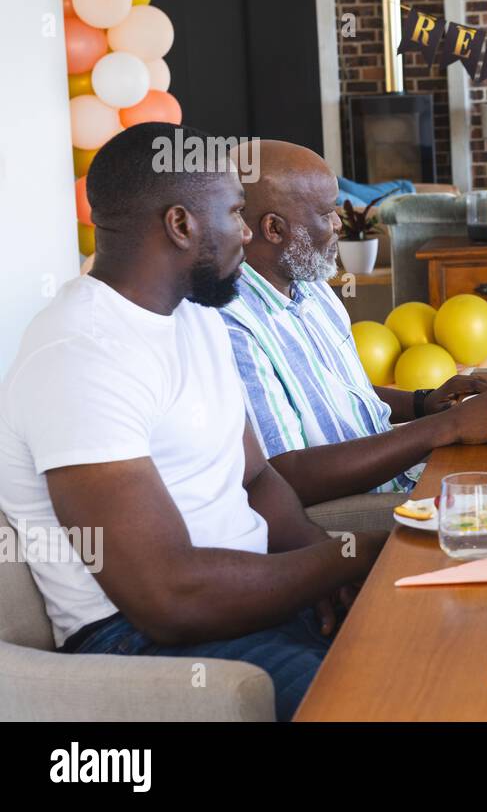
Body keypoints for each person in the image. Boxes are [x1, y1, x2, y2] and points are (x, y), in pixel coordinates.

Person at [0, 123, 384, 721]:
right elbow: (167, 598)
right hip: (140, 642)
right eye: (235, 212)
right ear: (181, 225)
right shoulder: (80, 354)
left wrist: (322, 566)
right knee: (377, 701)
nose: (248, 230)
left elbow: (257, 478)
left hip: (248, 598)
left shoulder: (195, 315)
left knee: (440, 644)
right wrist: (349, 557)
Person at [219, 140, 487, 507]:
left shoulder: (310, 287)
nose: (339, 224)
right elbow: (284, 476)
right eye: (326, 214)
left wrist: (425, 403)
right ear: (274, 228)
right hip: (351, 509)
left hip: (398, 476)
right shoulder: (231, 325)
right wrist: (446, 427)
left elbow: (341, 391)